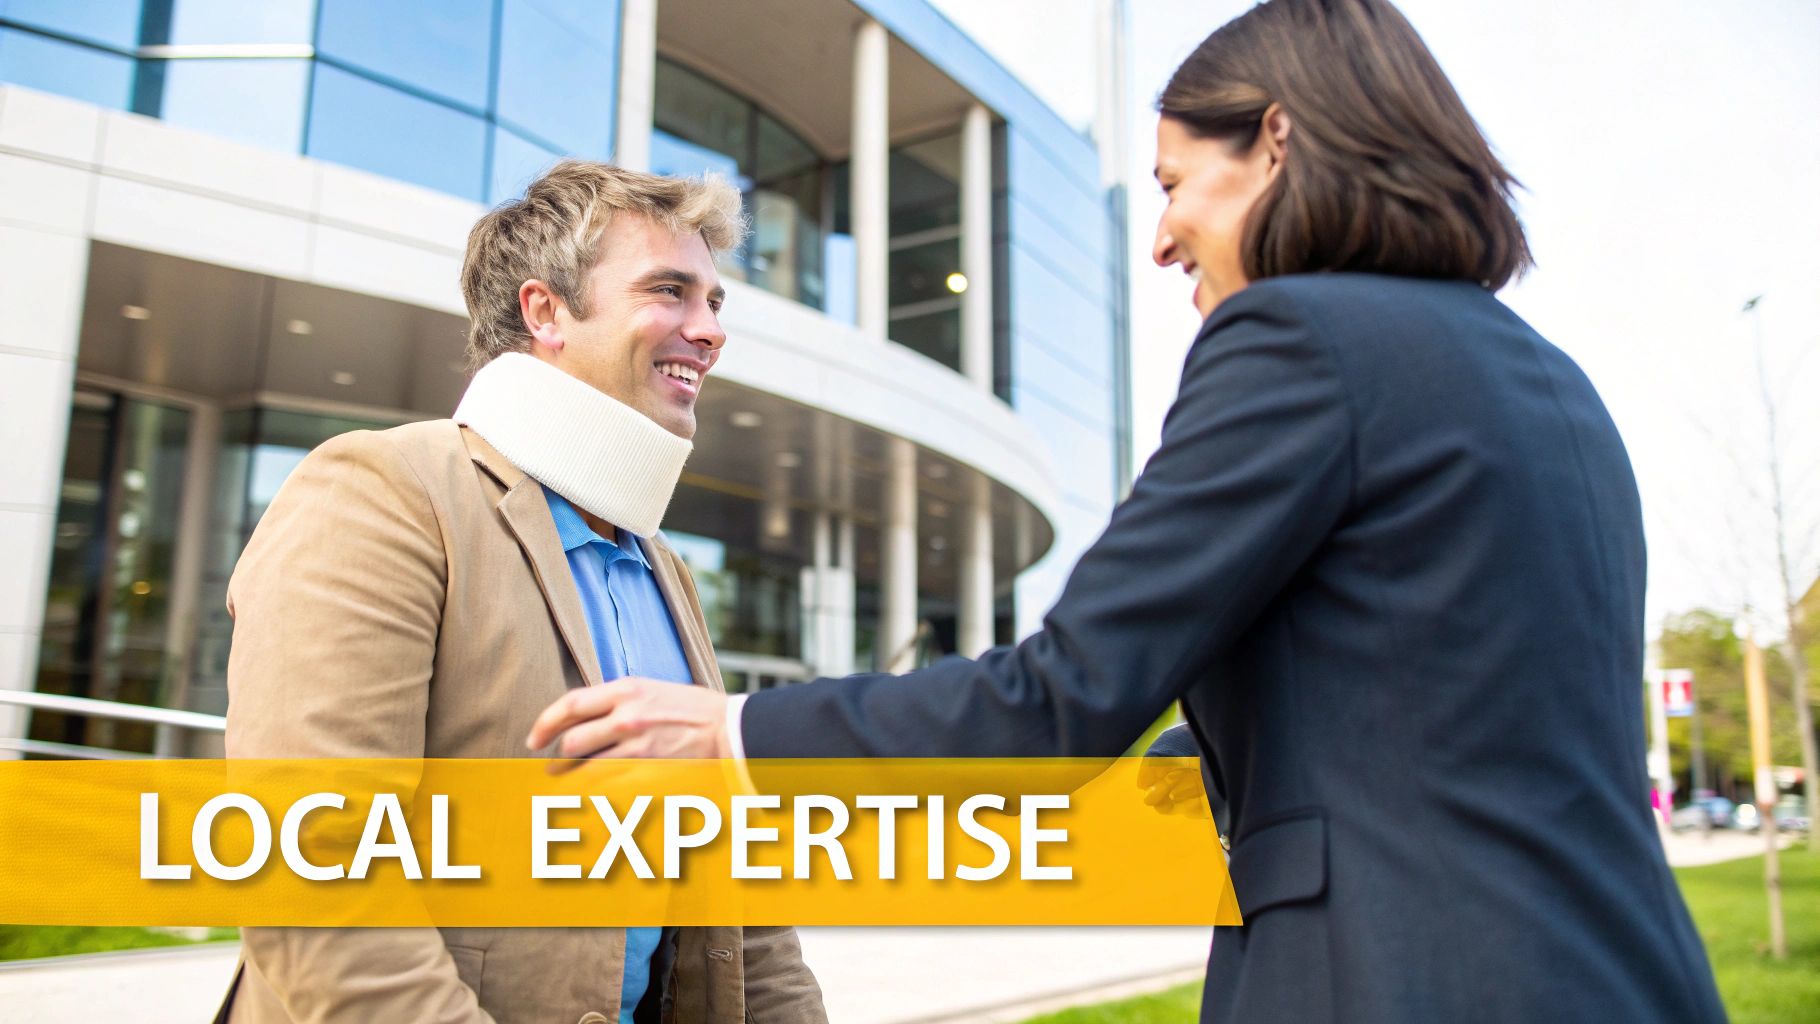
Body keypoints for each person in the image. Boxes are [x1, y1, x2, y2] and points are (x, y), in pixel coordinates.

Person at [525, 1, 1727, 1021]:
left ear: (1275, 139)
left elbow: (1063, 694)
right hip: (1623, 972)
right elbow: (1384, 733)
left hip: (1402, 980)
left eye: (1170, 183)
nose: (1159, 239)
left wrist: (730, 735)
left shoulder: (1295, 338)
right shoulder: (1538, 378)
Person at [218, 162, 826, 1024]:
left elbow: (736, 898)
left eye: (715, 303)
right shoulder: (381, 491)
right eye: (670, 291)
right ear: (544, 311)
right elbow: (315, 868)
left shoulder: (660, 566)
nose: (708, 329)